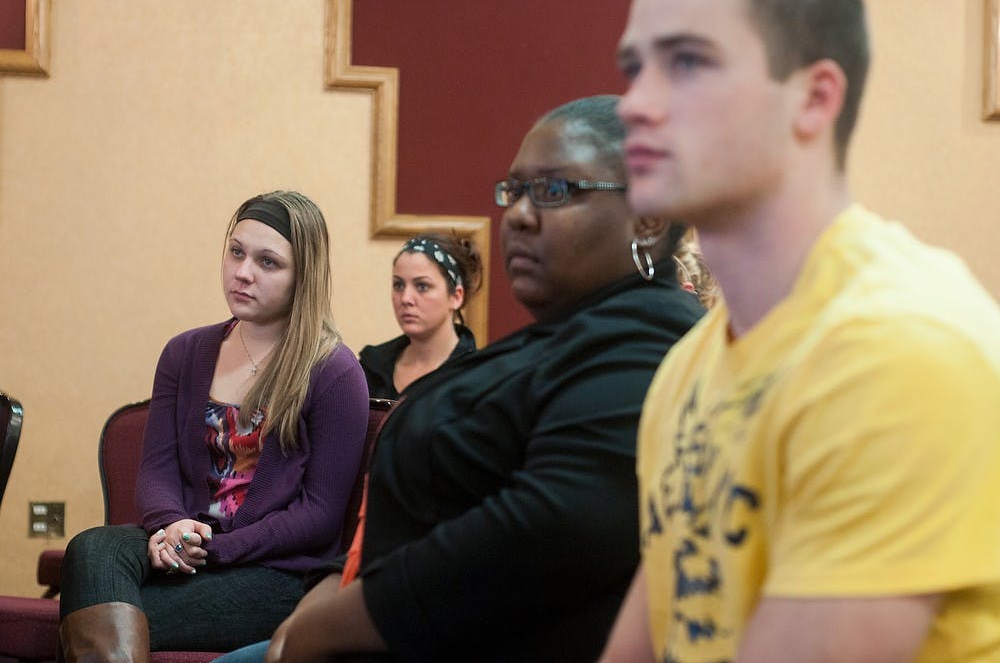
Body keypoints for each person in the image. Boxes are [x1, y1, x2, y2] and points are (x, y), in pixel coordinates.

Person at [214, 95, 705, 663]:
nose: (517, 214)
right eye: (513, 191)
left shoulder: (654, 343)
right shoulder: (567, 334)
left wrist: (333, 627)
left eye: (554, 191)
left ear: (648, 219)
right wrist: (318, 606)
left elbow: (550, 532)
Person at [602, 0, 1000, 662]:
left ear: (814, 99)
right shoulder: (690, 364)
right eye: (635, 67)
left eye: (688, 62)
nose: (634, 104)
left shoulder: (900, 351)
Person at [58, 191, 370, 660]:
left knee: (98, 614)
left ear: (302, 276)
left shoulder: (334, 371)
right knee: (93, 548)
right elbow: (157, 470)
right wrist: (170, 526)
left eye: (268, 262)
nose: (243, 272)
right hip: (185, 545)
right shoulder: (184, 353)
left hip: (274, 573)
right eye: (237, 252)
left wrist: (215, 548)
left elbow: (318, 514)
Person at [359, 232, 481, 399]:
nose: (406, 298)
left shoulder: (476, 377)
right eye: (398, 285)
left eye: (422, 286)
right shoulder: (372, 368)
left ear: (456, 296)